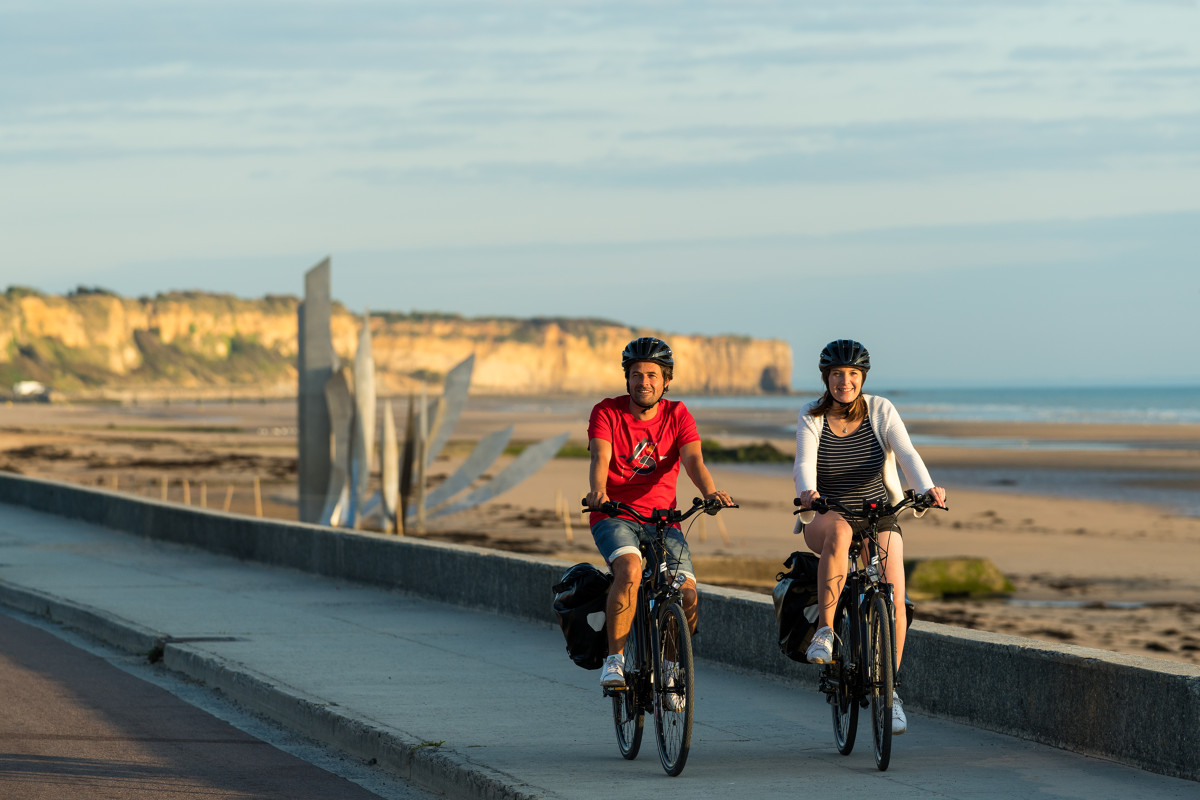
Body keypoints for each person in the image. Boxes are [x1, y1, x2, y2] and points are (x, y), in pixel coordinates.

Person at [793, 339, 946, 736]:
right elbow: (803, 462)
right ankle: (825, 632)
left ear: (863, 378)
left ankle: (890, 693)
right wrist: (808, 491)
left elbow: (908, 453)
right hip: (827, 515)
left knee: (894, 592)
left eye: (853, 375)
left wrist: (927, 489)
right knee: (840, 533)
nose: (845, 381)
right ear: (826, 378)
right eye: (837, 374)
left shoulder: (881, 410)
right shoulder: (812, 417)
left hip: (878, 513)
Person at [584, 336, 734, 695]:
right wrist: (598, 491)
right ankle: (615, 659)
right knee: (630, 569)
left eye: (652, 375)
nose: (644, 382)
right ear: (627, 378)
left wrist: (710, 493)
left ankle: (670, 668)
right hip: (614, 515)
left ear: (666, 380)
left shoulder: (677, 414)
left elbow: (693, 459)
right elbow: (599, 459)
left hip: (664, 520)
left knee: (688, 595)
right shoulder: (606, 412)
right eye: (636, 374)